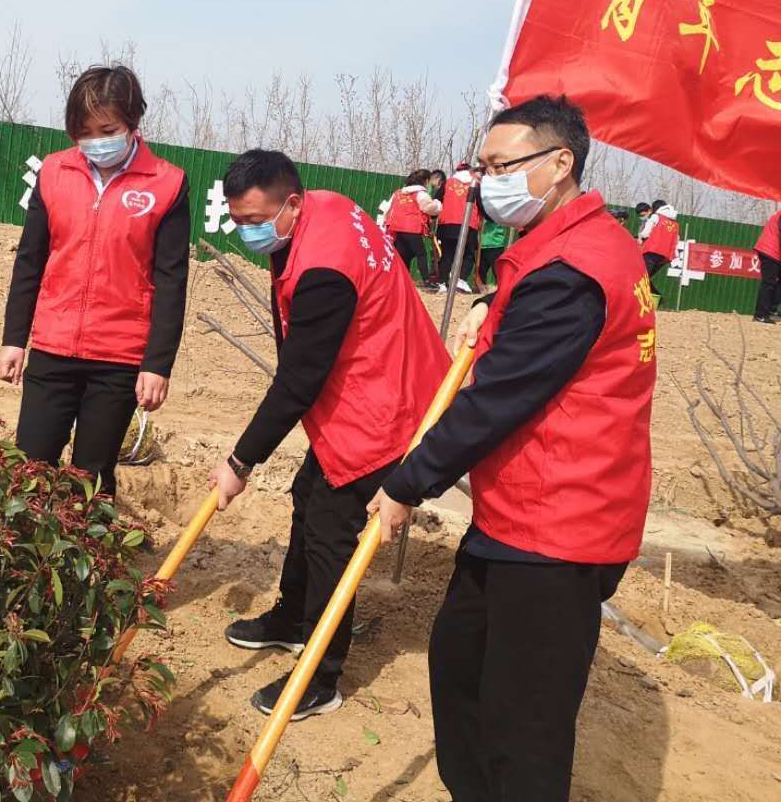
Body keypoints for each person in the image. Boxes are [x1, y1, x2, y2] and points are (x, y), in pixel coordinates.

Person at [369, 95, 656, 802]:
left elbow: (497, 399)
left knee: (523, 724)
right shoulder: (576, 243)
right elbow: (533, 328)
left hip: (559, 524)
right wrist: (488, 305)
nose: (487, 181)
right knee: (460, 663)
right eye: (483, 167)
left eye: (502, 166)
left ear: (560, 162)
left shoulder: (572, 270)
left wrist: (407, 484)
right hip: (524, 510)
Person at [209, 150, 448, 722]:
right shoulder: (327, 207)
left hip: (385, 404)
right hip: (367, 381)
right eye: (237, 221)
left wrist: (240, 463)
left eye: (254, 220)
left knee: (329, 530)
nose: (246, 232)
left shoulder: (324, 270)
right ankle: (295, 619)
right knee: (306, 494)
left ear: (291, 204)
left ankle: (320, 675)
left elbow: (298, 380)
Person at [0, 65, 190, 495]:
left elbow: (171, 282)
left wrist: (157, 364)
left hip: (118, 356)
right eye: (84, 132)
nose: (96, 142)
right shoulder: (54, 172)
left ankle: (89, 540)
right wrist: (14, 339)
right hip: (53, 346)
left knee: (91, 477)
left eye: (108, 130)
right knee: (29, 468)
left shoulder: (167, 184)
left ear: (133, 123)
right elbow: (30, 261)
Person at [382, 169, 443, 291]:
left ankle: (400, 280)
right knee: (421, 254)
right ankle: (426, 281)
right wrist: (438, 204)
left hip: (396, 228)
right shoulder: (421, 193)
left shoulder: (397, 193)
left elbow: (387, 209)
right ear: (425, 181)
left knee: (404, 255)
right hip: (411, 228)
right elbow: (428, 208)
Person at [437, 161, 481, 292]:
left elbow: (437, 200)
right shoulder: (475, 184)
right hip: (468, 223)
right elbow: (482, 204)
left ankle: (442, 283)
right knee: (469, 254)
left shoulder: (448, 182)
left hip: (447, 223)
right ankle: (461, 280)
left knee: (447, 254)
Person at [637, 198, 680, 296]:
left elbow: (646, 233)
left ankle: (655, 297)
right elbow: (676, 242)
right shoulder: (676, 224)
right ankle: (655, 297)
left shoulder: (656, 217)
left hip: (651, 252)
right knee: (646, 278)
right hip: (664, 257)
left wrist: (640, 236)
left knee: (641, 277)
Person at [754, 208, 780, 324]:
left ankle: (771, 311)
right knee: (768, 283)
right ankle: (760, 315)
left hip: (775, 252)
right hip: (770, 250)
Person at [478, 219, 509, 290]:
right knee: (481, 271)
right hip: (482, 245)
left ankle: (501, 289)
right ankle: (480, 290)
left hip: (496, 245)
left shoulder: (496, 214)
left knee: (497, 271)